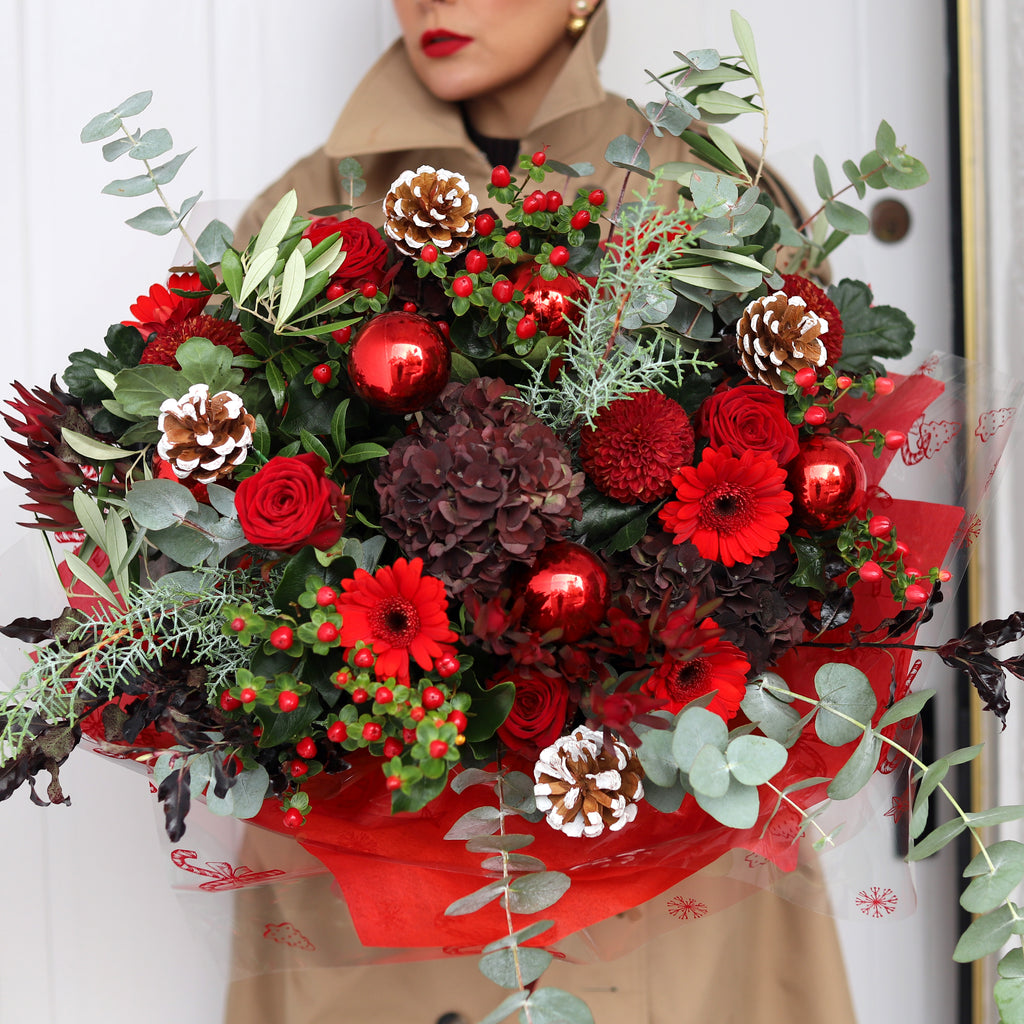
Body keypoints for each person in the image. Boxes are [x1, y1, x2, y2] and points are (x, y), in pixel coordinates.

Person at [224, 3, 855, 1022]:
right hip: (392, 817)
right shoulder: (308, 211)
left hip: (662, 812)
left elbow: (819, 492)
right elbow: (227, 543)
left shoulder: (710, 191)